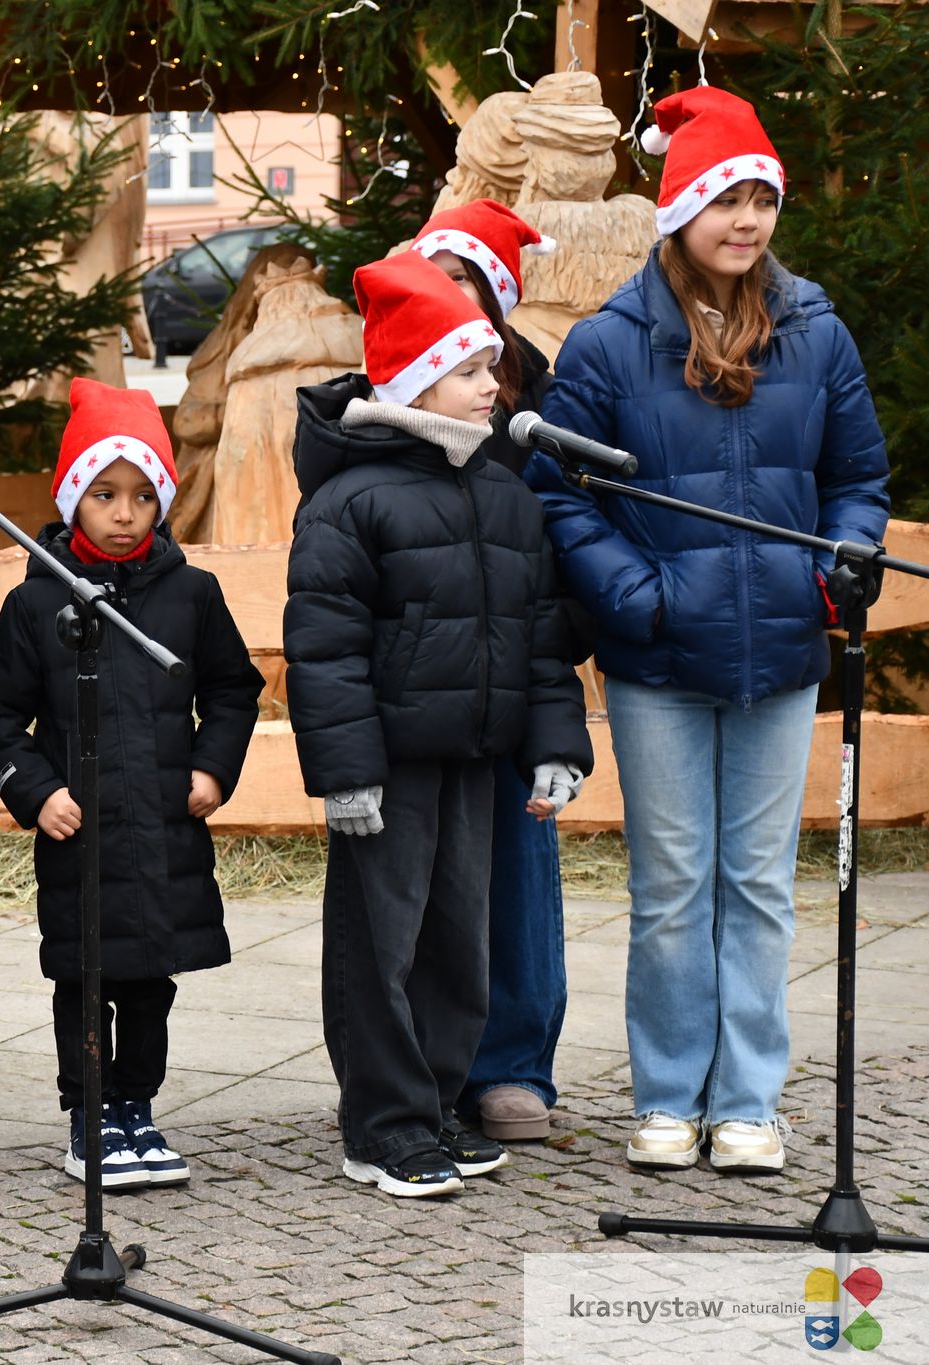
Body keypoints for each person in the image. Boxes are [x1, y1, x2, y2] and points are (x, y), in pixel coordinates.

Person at [529, 88, 889, 1175]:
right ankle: (666, 1095)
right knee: (675, 883)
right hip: (658, 656)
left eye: (761, 200)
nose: (746, 221)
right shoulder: (606, 345)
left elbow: (856, 478)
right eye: (725, 199)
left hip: (780, 647)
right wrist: (637, 597)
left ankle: (746, 1101)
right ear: (680, 208)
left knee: (759, 883)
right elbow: (560, 493)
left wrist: (835, 569)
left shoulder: (815, 332)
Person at [283, 254, 593, 1198]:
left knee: (462, 936)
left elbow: (541, 637)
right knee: (381, 944)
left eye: (490, 367)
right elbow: (325, 647)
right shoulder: (350, 501)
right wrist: (346, 769)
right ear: (417, 382)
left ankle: (438, 1100)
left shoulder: (503, 494)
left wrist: (554, 744)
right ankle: (382, 1124)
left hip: (476, 756)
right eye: (469, 370)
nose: (492, 384)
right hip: (387, 766)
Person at [0, 377, 261, 1189]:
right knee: (85, 979)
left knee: (149, 984)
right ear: (74, 497)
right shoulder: (37, 602)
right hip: (81, 832)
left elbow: (232, 688)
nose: (125, 513)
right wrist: (37, 790)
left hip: (165, 830)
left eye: (143, 495)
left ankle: (136, 1106)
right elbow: (0, 716)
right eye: (104, 493)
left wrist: (213, 767)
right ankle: (89, 1112)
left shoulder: (192, 593)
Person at [411, 199, 577, 1144]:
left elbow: (565, 547)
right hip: (423, 678)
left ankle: (512, 1062)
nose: (446, 293)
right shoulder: (387, 395)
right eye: (433, 276)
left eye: (464, 280)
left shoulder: (541, 408)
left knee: (517, 868)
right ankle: (417, 1064)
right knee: (421, 882)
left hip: (514, 672)